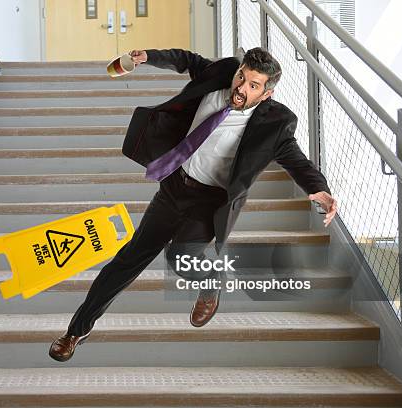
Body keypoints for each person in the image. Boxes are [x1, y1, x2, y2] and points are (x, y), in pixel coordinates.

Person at [49, 47, 338, 362]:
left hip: (208, 203)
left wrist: (318, 189)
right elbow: (186, 60)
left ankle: (212, 281)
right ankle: (76, 331)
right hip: (174, 188)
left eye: (253, 85)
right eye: (242, 76)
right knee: (127, 261)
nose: (241, 88)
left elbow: (297, 160)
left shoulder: (277, 123)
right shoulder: (221, 74)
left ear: (267, 93)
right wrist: (149, 56)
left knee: (181, 259)